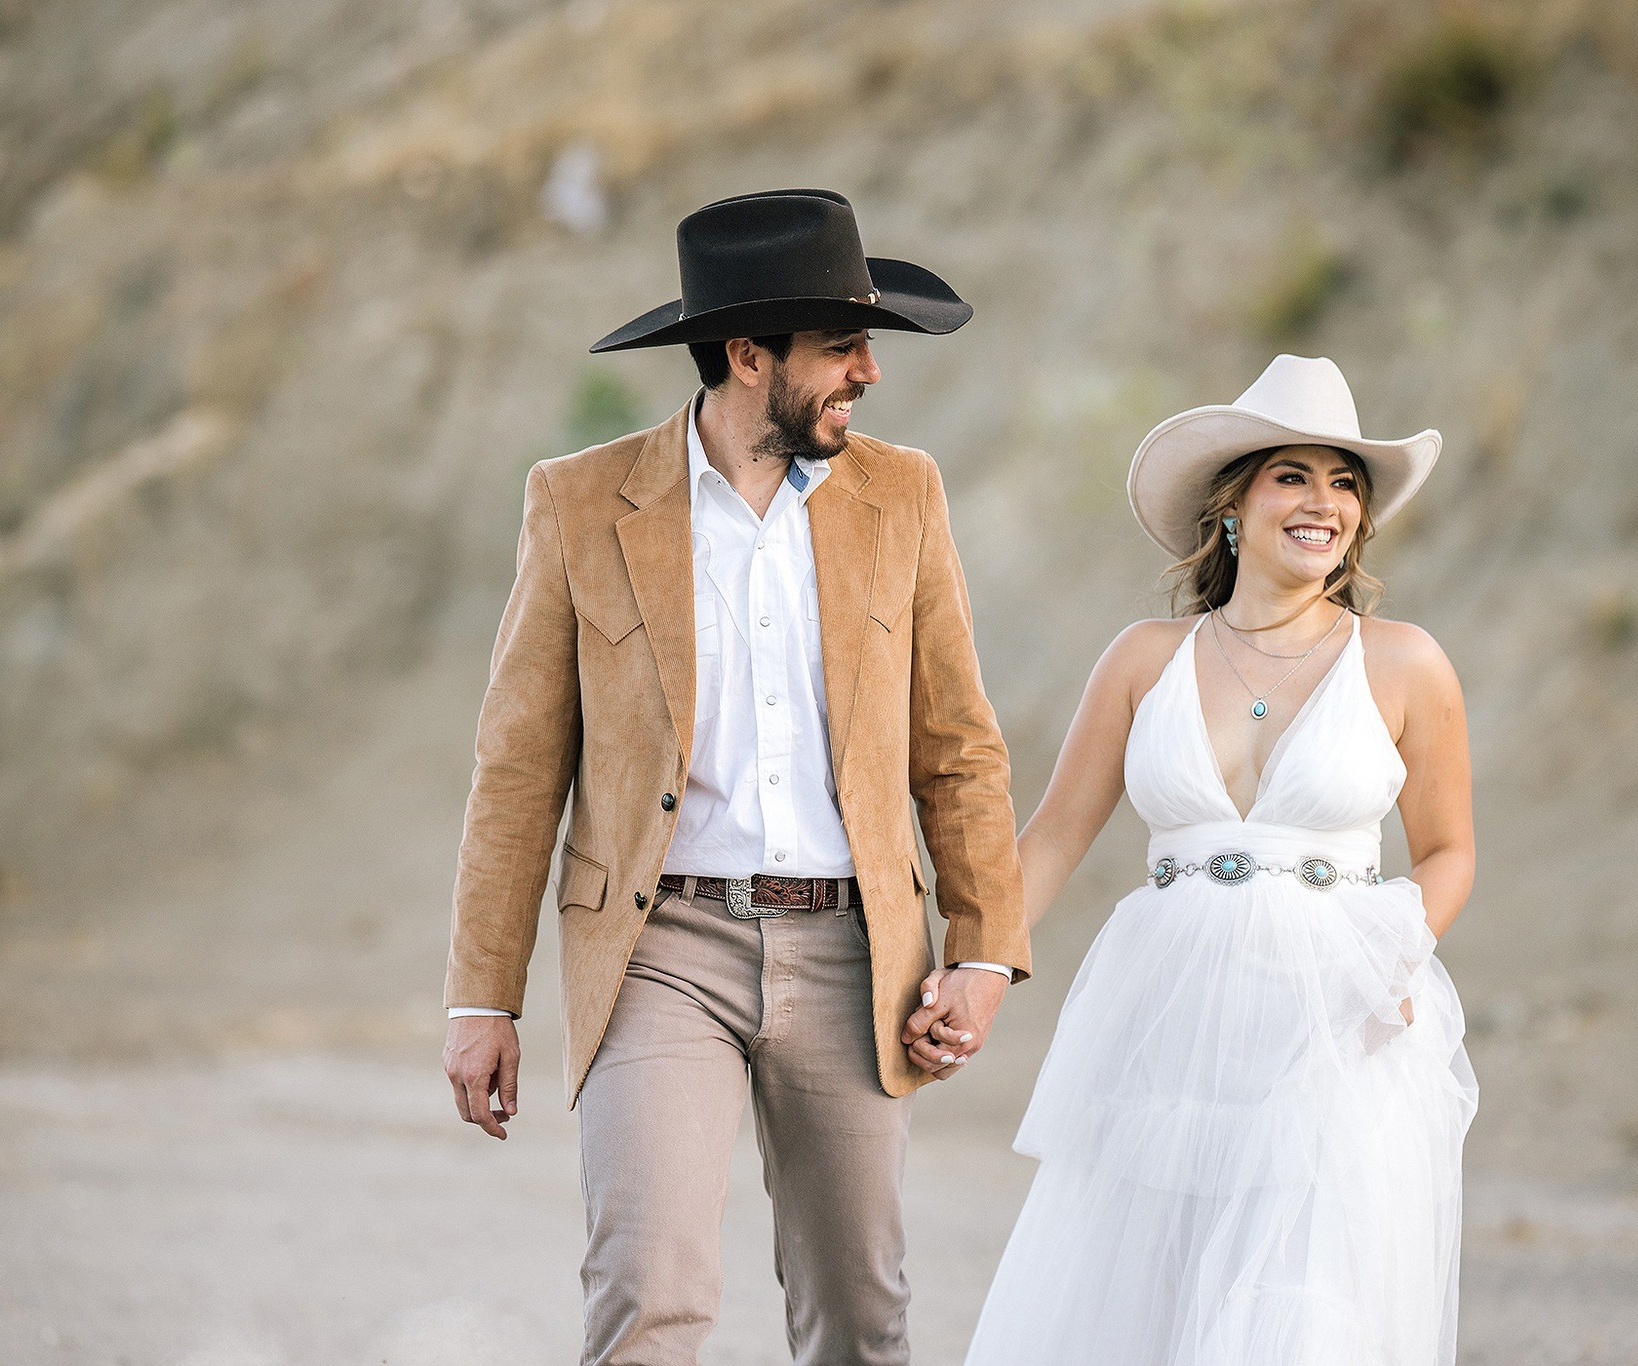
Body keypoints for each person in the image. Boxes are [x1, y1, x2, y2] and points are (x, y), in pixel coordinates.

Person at [440, 188, 1030, 1366]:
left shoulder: (901, 494)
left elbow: (954, 740)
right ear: (748, 356)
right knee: (648, 1298)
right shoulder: (578, 501)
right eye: (840, 347)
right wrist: (481, 996)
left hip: (857, 949)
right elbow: (517, 767)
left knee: (860, 1316)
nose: (868, 370)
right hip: (661, 950)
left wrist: (979, 949)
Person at [915, 354, 1480, 1363]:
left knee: (1295, 1316)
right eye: (1292, 476)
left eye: (1344, 482)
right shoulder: (1143, 658)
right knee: (1143, 1302)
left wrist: (1395, 950)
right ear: (1230, 505)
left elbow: (1447, 850)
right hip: (1164, 1021)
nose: (1324, 503)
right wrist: (976, 963)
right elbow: (1050, 835)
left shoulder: (1403, 661)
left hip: (1333, 1027)